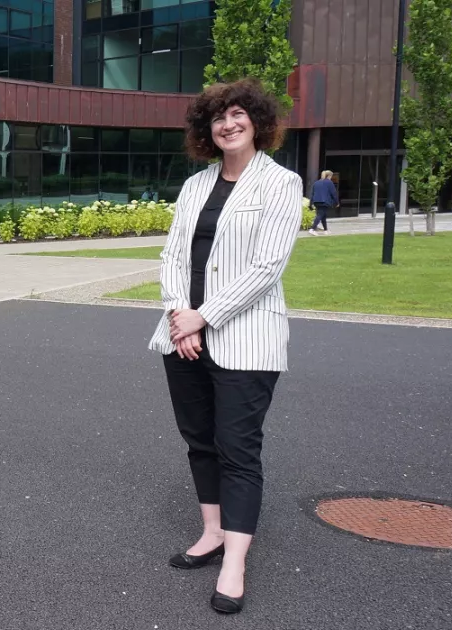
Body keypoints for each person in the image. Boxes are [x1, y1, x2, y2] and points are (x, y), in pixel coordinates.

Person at [149, 78, 302, 615]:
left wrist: (203, 315)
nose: (228, 124)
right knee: (199, 441)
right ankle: (211, 532)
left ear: (257, 122)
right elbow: (171, 255)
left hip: (245, 338)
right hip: (182, 337)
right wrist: (178, 316)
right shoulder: (195, 186)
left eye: (238, 115)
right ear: (205, 131)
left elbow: (266, 268)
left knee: (238, 449)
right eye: (217, 118)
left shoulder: (282, 183)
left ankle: (235, 561)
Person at [309, 170, 338, 235]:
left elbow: (312, 194)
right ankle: (312, 229)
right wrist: (337, 202)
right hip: (324, 202)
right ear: (329, 176)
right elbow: (334, 193)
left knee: (323, 215)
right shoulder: (329, 182)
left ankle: (325, 230)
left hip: (316, 202)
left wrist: (310, 204)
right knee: (320, 215)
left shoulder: (316, 183)